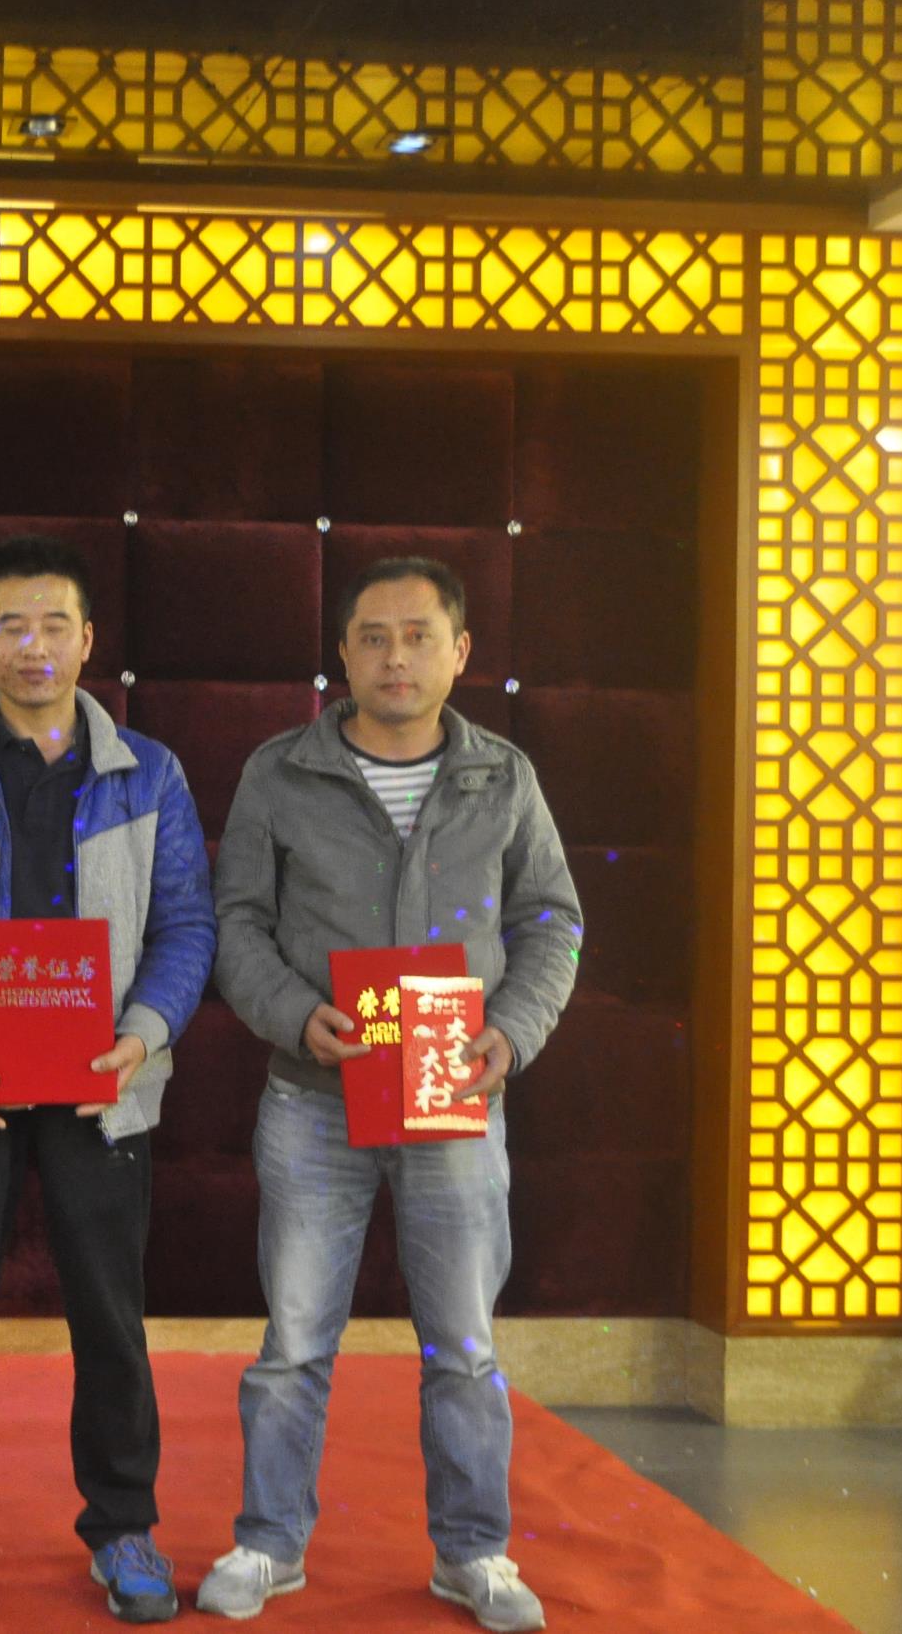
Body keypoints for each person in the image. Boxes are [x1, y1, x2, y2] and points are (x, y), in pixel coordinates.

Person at [201, 556, 582, 1631]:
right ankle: (268, 1542)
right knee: (293, 1341)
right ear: (343, 652)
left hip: (453, 1096)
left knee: (463, 1342)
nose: (395, 657)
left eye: (419, 636)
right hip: (312, 1095)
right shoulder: (281, 771)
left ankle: (473, 1551)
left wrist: (513, 1031)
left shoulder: (503, 777)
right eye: (373, 637)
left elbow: (552, 920)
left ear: (460, 651)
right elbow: (236, 921)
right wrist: (293, 1014)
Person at [0, 534, 216, 1625]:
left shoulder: (150, 772)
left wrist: (142, 1035)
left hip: (103, 1082)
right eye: (10, 624)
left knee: (110, 1316)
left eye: (54, 623)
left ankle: (124, 1524)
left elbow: (187, 924)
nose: (34, 645)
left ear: (88, 639)